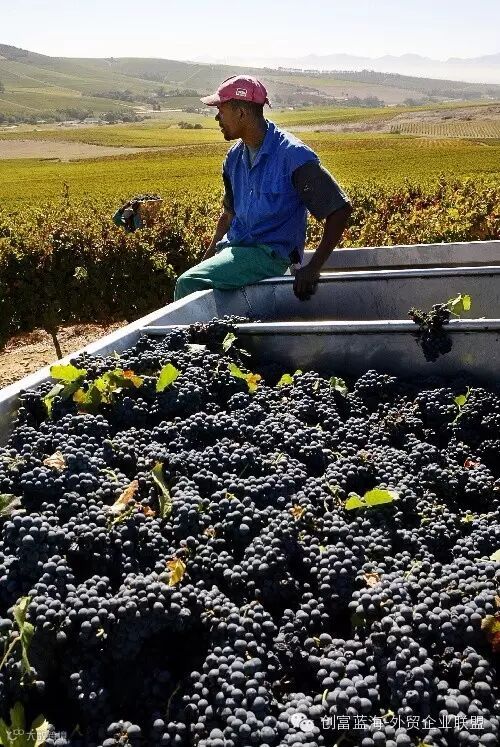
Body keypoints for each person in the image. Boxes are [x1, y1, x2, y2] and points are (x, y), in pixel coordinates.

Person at [174, 75, 352, 302]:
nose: (217, 117)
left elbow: (339, 210)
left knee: (188, 283)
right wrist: (206, 262)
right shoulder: (234, 158)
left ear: (241, 113)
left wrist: (313, 268)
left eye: (221, 110)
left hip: (271, 256)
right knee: (196, 279)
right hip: (235, 252)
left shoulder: (293, 156)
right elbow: (228, 216)